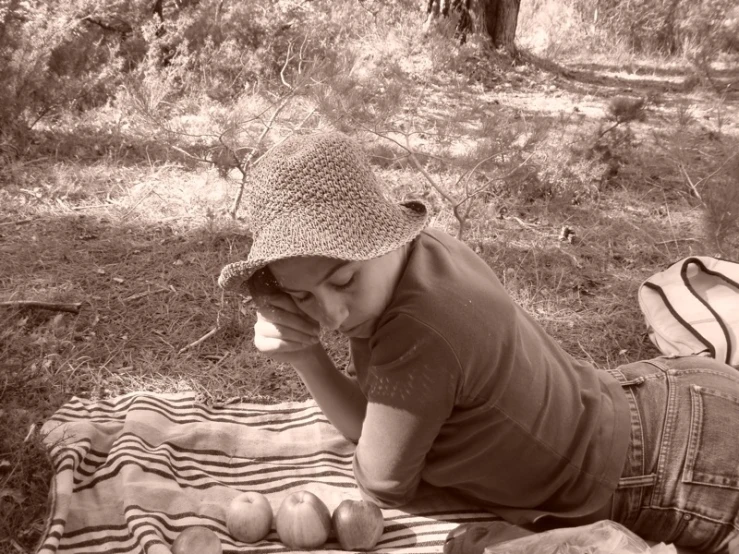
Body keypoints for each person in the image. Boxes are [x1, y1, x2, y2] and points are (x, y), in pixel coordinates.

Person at [218, 131, 739, 553]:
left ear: (377, 239)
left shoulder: (417, 331)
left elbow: (381, 482)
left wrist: (307, 357)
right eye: (304, 297)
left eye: (344, 280)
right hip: (669, 395)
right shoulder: (427, 251)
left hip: (678, 470)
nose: (331, 315)